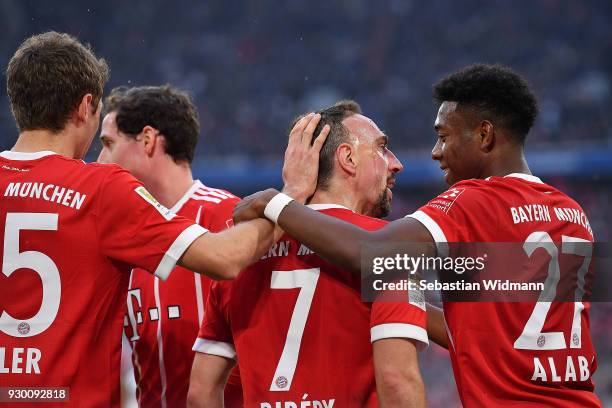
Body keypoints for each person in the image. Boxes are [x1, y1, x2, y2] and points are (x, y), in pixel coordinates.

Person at [235, 64, 601, 407]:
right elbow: (497, 323)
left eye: (444, 136)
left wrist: (278, 202)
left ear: (485, 135)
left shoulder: (471, 202)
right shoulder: (571, 213)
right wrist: (399, 300)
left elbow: (376, 255)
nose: (436, 152)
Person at [0, 32, 296, 407]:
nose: (99, 152)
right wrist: (291, 200)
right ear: (85, 107)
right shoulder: (99, 189)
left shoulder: (215, 209)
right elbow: (223, 258)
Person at [187, 101, 428, 408]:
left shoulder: (243, 247)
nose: (396, 163)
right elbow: (397, 381)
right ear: (348, 158)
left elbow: (200, 393)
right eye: (382, 148)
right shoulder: (391, 250)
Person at [97, 85, 242, 407]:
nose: (100, 160)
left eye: (108, 144)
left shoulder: (227, 218)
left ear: (147, 140)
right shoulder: (119, 237)